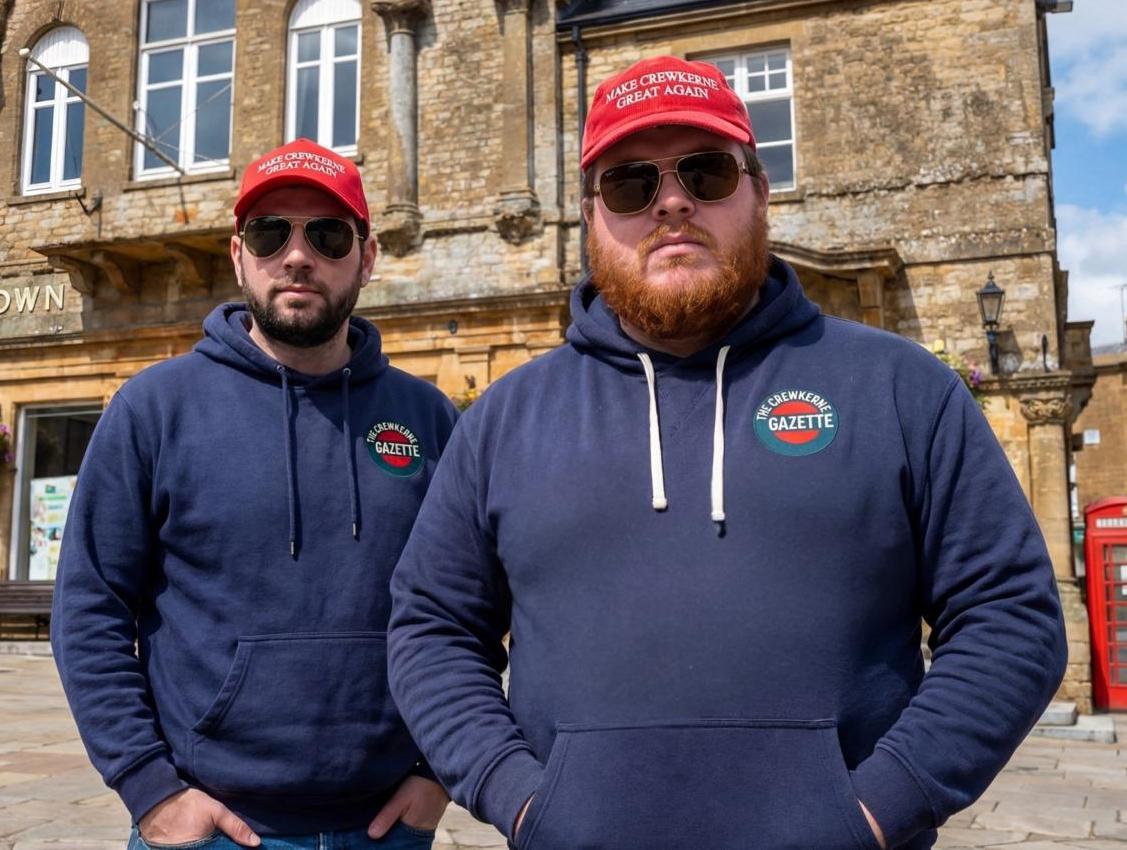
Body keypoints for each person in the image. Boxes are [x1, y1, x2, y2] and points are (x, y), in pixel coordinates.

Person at [386, 56, 1068, 850]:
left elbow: (1009, 616)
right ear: (590, 215)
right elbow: (432, 629)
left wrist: (880, 807)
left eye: (706, 172)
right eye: (630, 184)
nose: (670, 202)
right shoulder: (505, 416)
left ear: (759, 189)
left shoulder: (899, 387)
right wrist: (519, 796)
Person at [52, 138, 456, 850]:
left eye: (328, 234)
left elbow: (471, 605)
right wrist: (150, 788)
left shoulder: (426, 418)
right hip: (210, 828)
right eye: (272, 232)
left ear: (366, 257)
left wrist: (439, 769)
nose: (297, 255)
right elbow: (91, 609)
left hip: (387, 827)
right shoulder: (154, 409)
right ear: (240, 254)